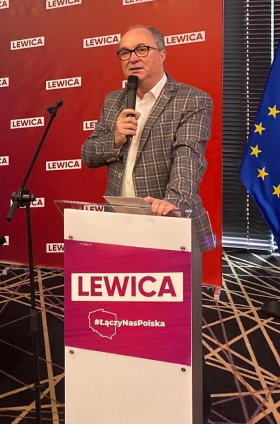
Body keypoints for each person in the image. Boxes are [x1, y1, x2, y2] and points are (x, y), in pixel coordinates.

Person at [80, 24, 215, 422]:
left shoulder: (191, 99)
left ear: (162, 53)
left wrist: (173, 204)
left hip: (167, 226)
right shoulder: (114, 101)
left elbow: (189, 157)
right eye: (124, 52)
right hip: (117, 229)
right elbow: (89, 154)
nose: (132, 58)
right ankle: (130, 398)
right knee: (125, 319)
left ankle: (189, 407)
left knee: (173, 328)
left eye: (141, 49)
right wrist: (116, 139)